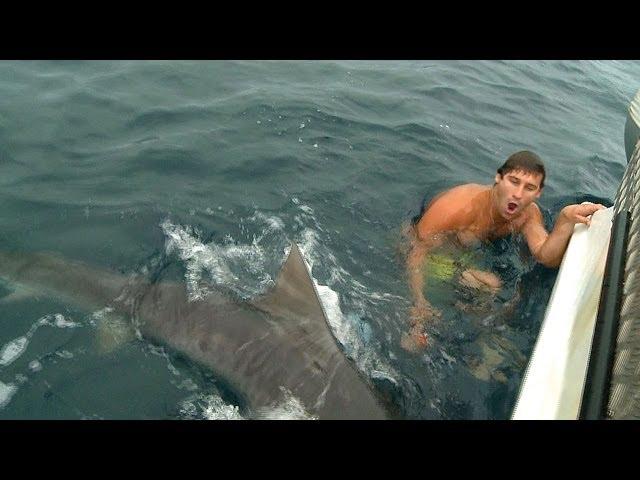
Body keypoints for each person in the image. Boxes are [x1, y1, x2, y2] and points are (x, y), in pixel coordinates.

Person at [402, 150, 605, 352]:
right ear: (498, 178)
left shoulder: (528, 214)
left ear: (538, 193)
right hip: (431, 255)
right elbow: (414, 251)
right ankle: (422, 329)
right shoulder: (457, 207)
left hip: (466, 257)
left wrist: (565, 221)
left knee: (506, 295)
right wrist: (419, 301)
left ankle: (479, 339)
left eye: (529, 187)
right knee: (489, 284)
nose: (518, 194)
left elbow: (545, 256)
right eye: (514, 181)